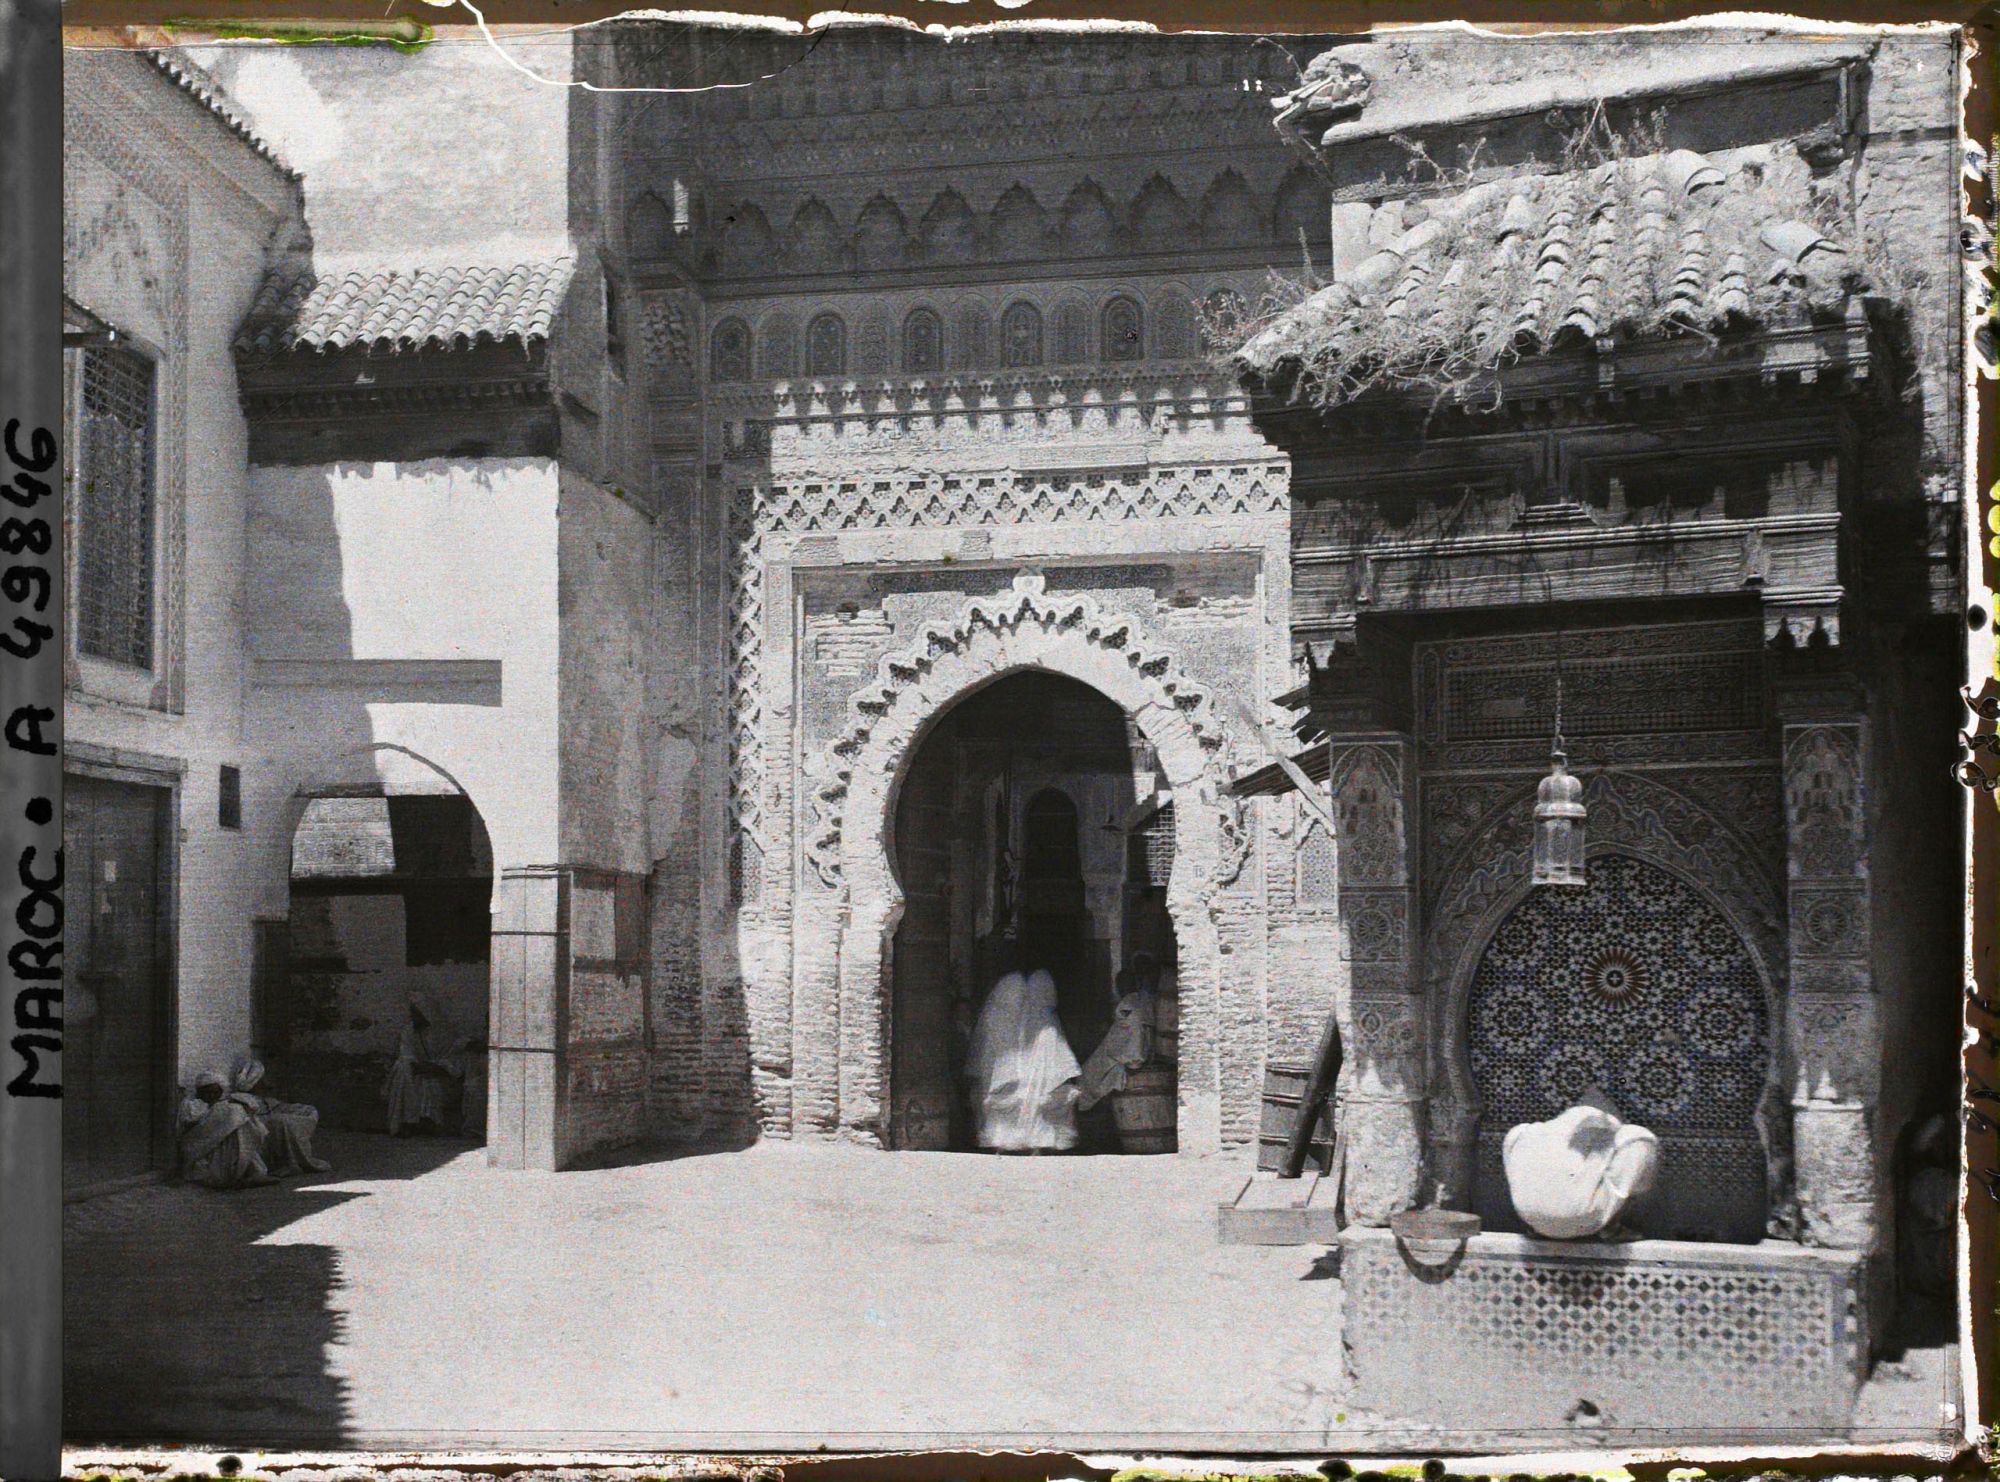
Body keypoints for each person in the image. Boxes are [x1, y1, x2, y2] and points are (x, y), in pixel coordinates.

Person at [965, 963, 1082, 1152]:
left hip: (1012, 1081)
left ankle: (1013, 1141)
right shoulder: (1041, 1024)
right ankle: (1025, 1141)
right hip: (1024, 1082)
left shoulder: (1028, 1023)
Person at [230, 1057, 331, 1174]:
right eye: (262, 1079)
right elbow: (255, 1112)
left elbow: (272, 1106)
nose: (266, 1082)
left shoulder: (262, 1098)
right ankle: (289, 1162)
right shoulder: (242, 1099)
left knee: (307, 1111)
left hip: (269, 1115)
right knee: (282, 1123)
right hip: (260, 1124)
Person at [1077, 966, 1157, 1112]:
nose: (1119, 987)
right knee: (1090, 1067)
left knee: (1089, 1074)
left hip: (1125, 1058)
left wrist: (1132, 1059)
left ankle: (1086, 1106)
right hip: (1121, 1052)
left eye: (1122, 984)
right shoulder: (1137, 1003)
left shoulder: (1131, 1007)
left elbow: (1134, 1037)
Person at [177, 1070, 274, 1188]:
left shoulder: (224, 1103)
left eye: (215, 1092)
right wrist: (219, 1113)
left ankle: (246, 1173)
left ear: (221, 1092)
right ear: (199, 1092)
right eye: (207, 1092)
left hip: (223, 1142)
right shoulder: (192, 1105)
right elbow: (197, 1129)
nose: (211, 1096)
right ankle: (236, 1177)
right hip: (201, 1148)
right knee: (234, 1113)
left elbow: (252, 1108)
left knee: (240, 1130)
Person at [384, 994, 461, 1136]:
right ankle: (407, 1122)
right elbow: (406, 1052)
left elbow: (452, 1056)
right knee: (403, 1069)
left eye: (417, 1013)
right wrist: (417, 1065)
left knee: (429, 1085)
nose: (413, 1017)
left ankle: (427, 1124)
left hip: (439, 1074)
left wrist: (436, 1067)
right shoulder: (408, 1031)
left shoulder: (443, 1032)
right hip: (416, 1073)